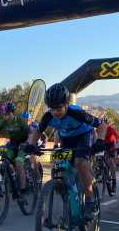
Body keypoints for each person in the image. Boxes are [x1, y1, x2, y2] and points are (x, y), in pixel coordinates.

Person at [25, 83, 107, 220]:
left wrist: (100, 141)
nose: (55, 112)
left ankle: (90, 200)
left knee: (80, 163)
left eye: (58, 108)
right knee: (60, 165)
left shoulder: (77, 113)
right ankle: (68, 197)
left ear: (67, 104)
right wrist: (31, 145)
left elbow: (102, 125)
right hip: (66, 138)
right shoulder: (48, 116)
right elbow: (38, 132)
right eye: (52, 109)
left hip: (84, 136)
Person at [102, 115, 119, 194]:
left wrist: (116, 146)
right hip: (103, 146)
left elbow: (117, 137)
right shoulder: (99, 128)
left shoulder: (111, 129)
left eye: (105, 123)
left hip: (111, 146)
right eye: (102, 123)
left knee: (111, 163)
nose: (104, 125)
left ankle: (114, 182)